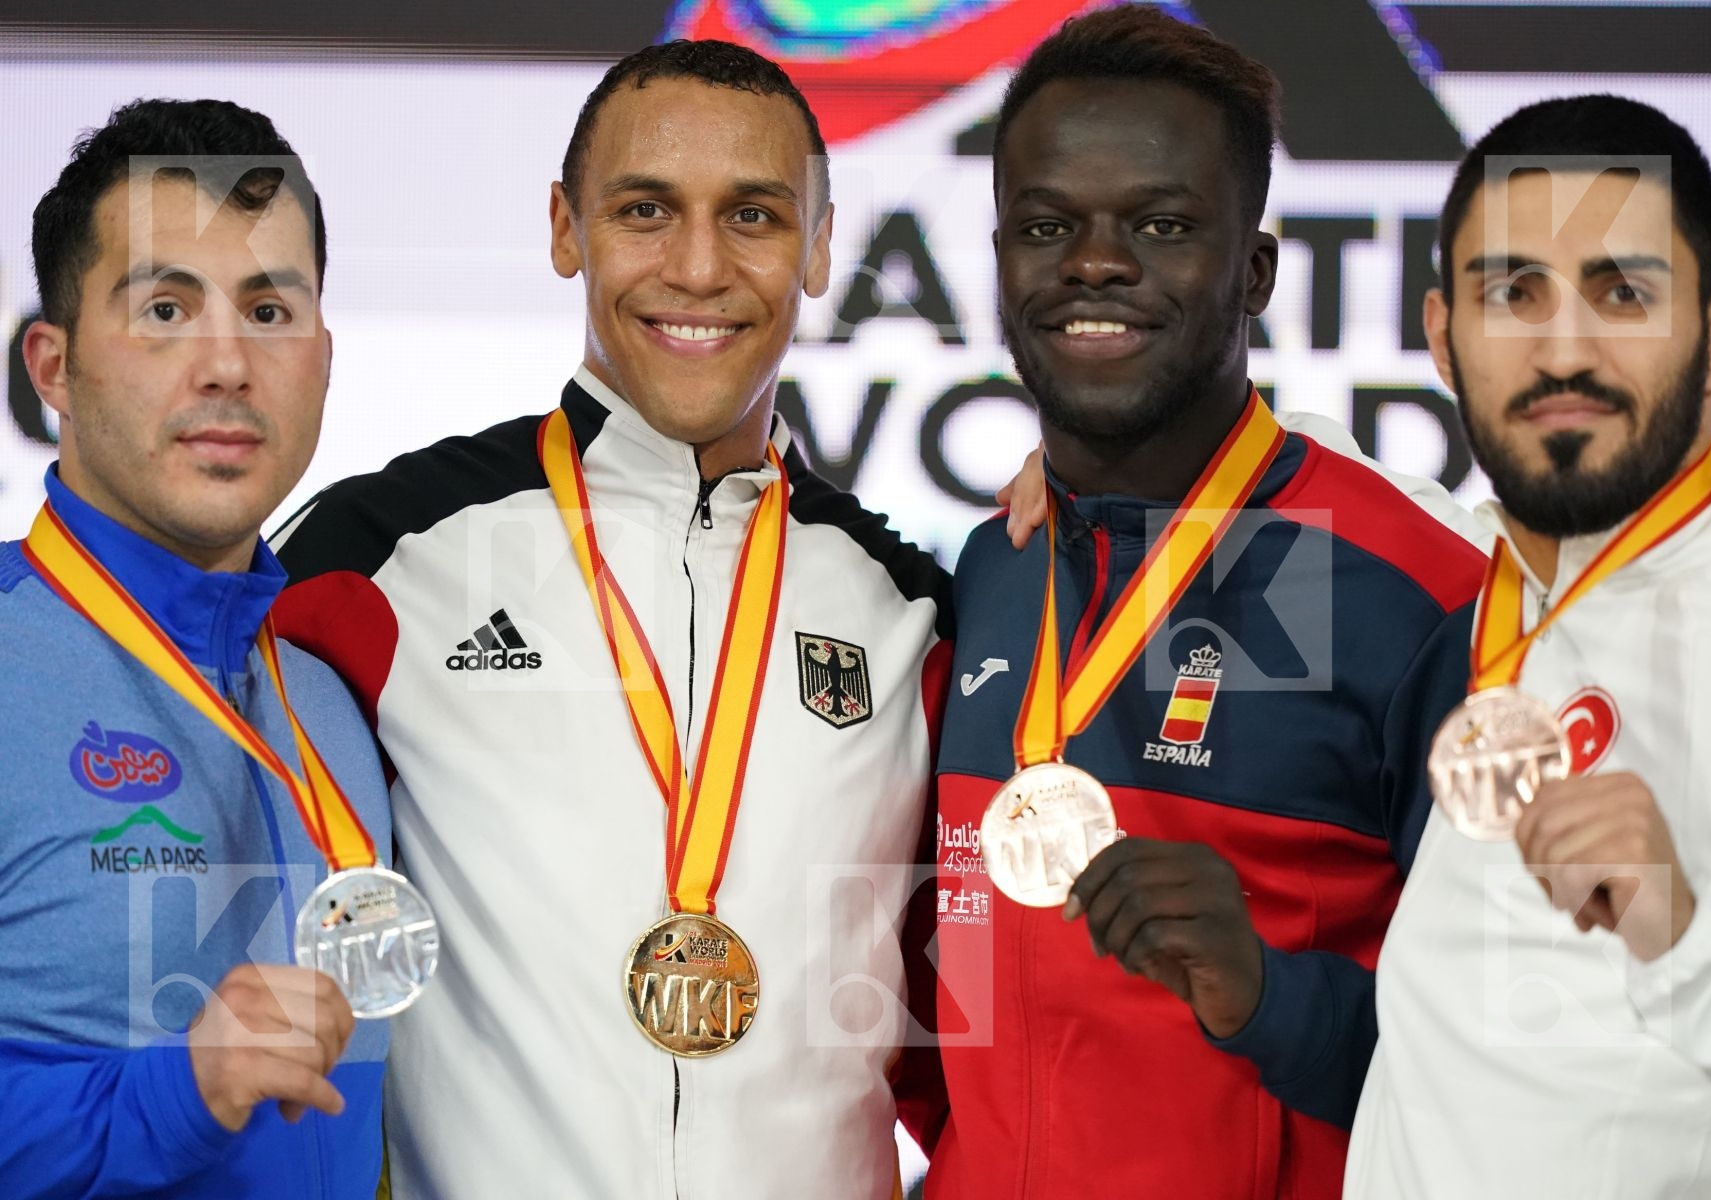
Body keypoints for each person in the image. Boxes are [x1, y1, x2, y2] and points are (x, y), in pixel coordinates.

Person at [270, 41, 950, 1199]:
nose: (699, 266)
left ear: (820, 248)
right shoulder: (381, 554)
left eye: (753, 216)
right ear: (564, 228)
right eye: (646, 210)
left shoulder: (916, 613)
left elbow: (985, 1021)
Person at [926, 8, 1491, 1198]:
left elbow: (1526, 1053)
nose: (1094, 263)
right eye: (1046, 227)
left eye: (1163, 225)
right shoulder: (987, 573)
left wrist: (1270, 996)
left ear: (1256, 272)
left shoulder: (1414, 595)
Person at [1344, 94, 1711, 1198]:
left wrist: (1686, 940)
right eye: (1513, 294)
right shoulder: (1514, 572)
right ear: (1444, 339)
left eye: (1622, 293)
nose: (1562, 349)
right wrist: (1078, 474)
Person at [0, 100, 390, 1197]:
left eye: (269, 311)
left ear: (323, 359)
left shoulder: (327, 694)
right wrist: (177, 1093)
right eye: (165, 309)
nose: (227, 363)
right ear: (54, 368)